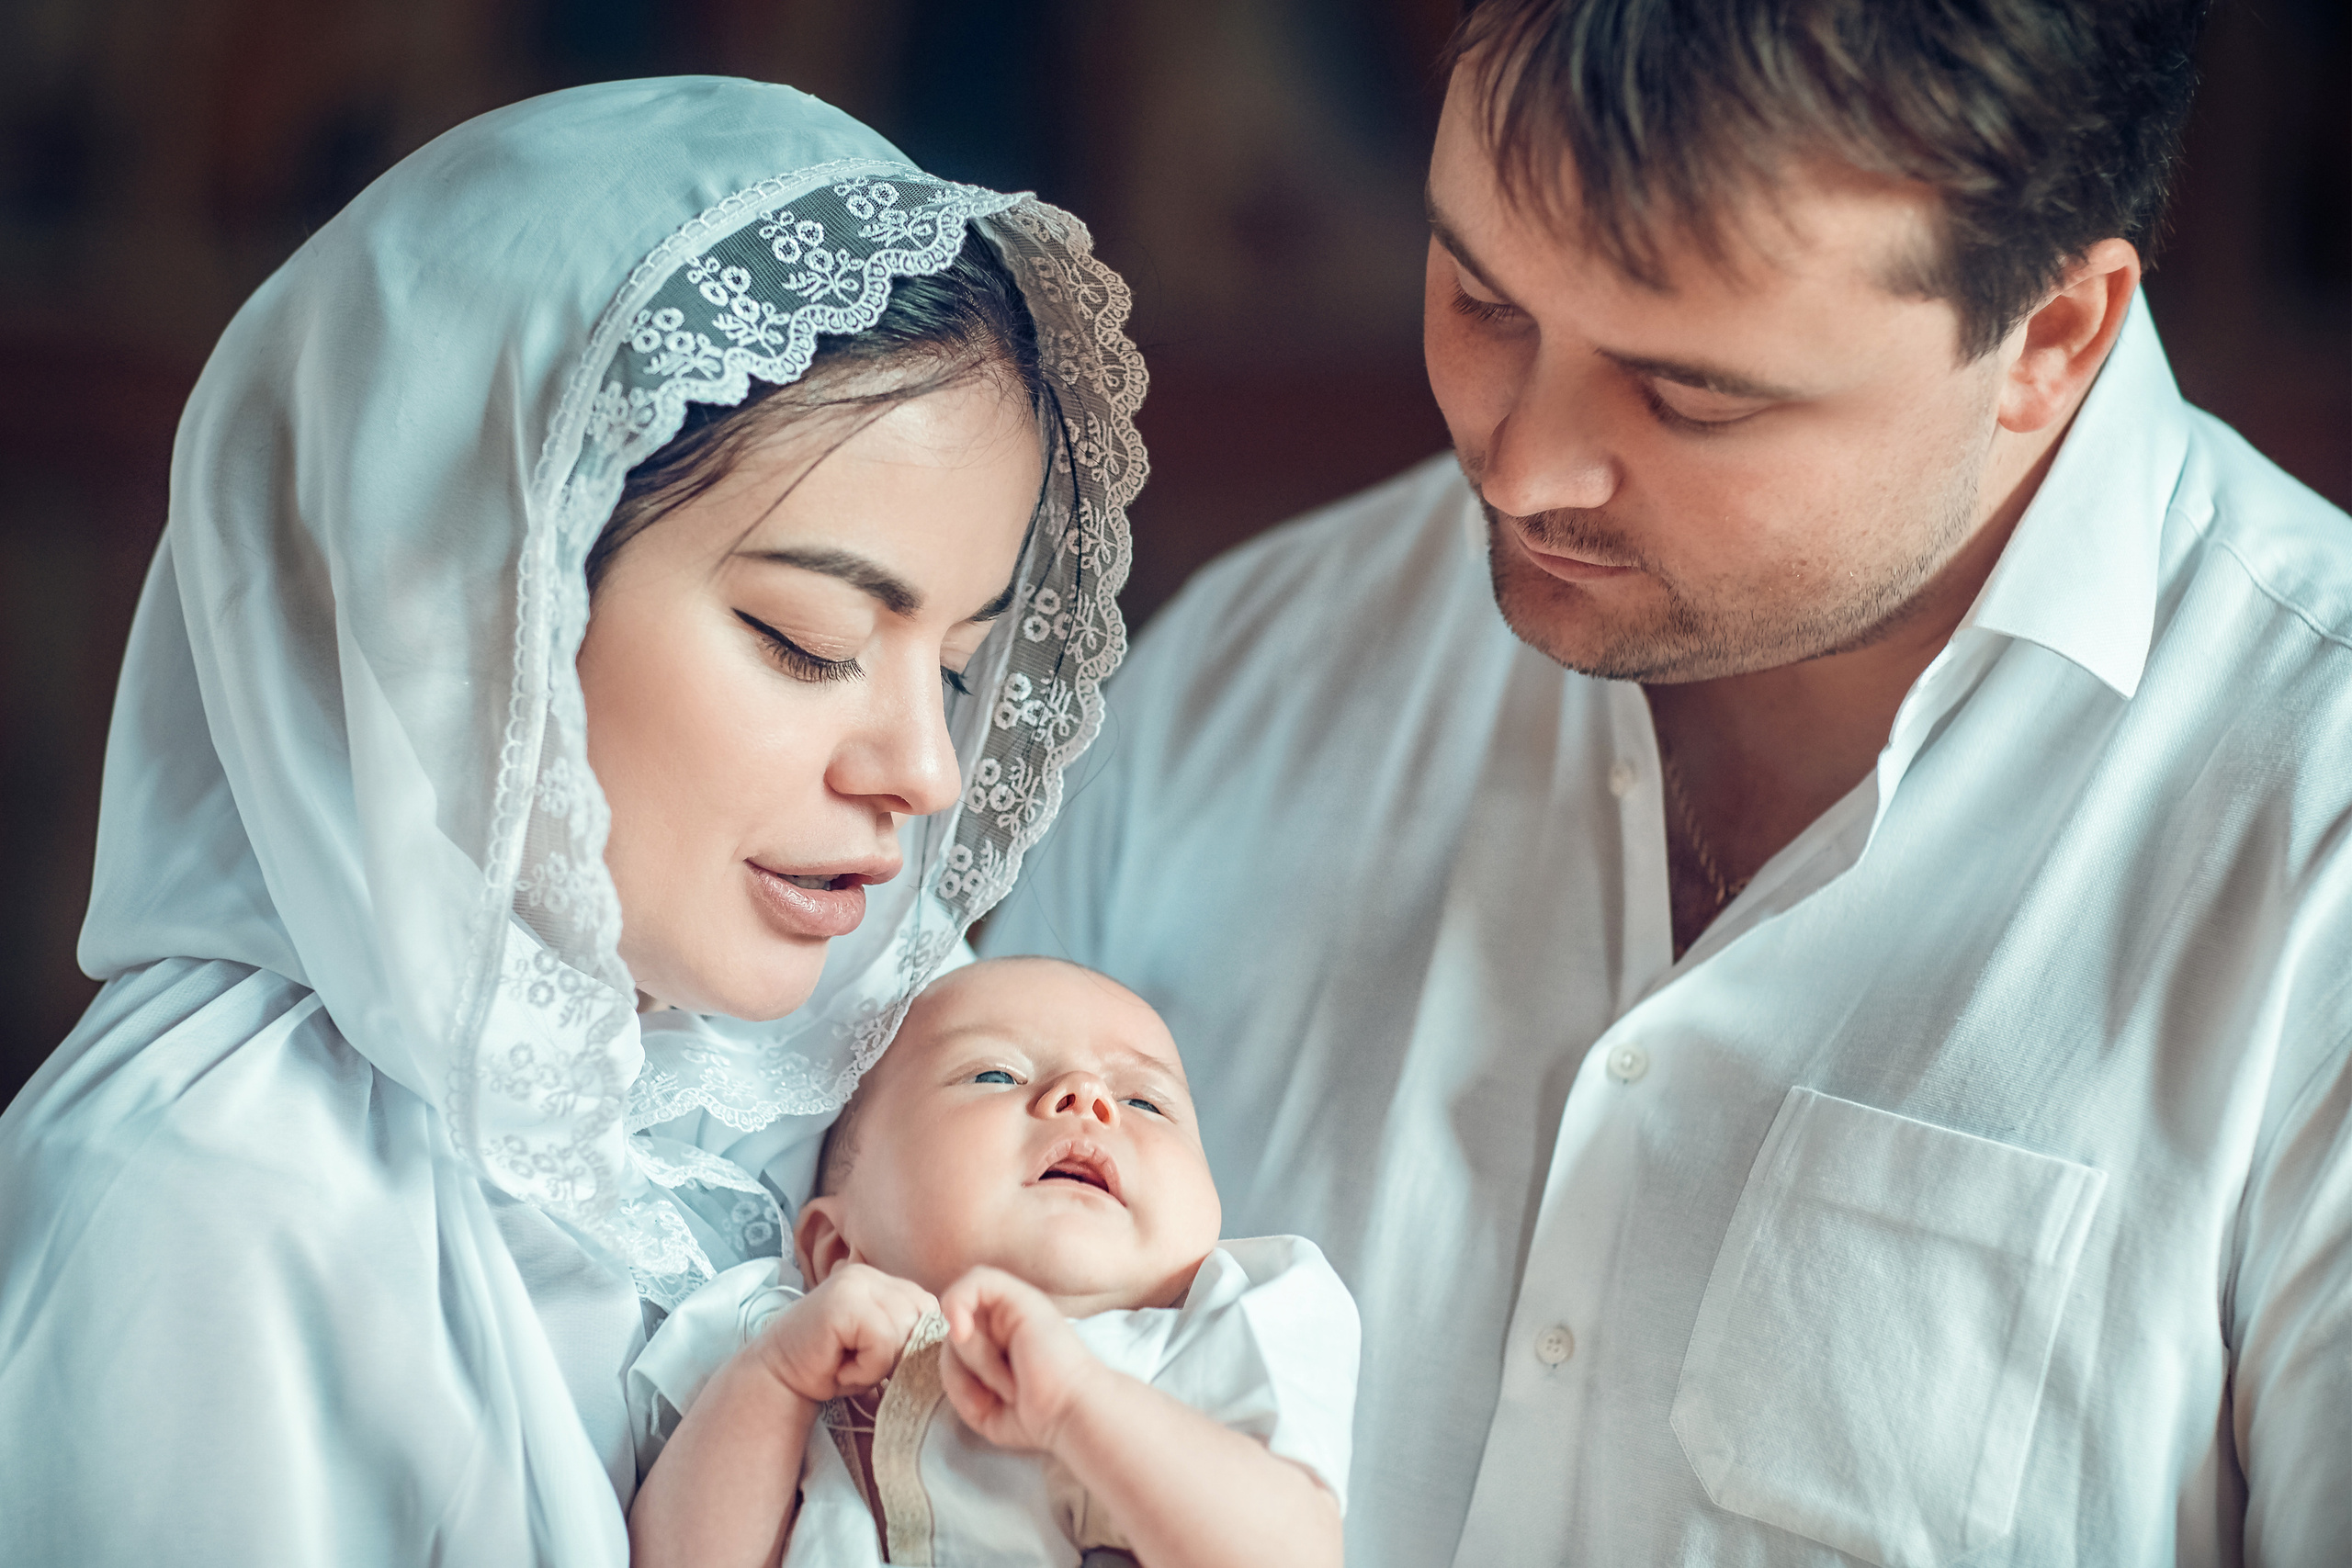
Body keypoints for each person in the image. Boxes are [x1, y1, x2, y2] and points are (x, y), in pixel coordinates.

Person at [983, 0, 2352, 1562]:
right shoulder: (1251, 680)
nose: (1518, 469)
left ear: (2049, 338)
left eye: (1692, 396)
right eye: (1482, 301)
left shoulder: (2315, 834)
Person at [0, 78, 1145, 1566]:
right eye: (808, 638)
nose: (924, 769)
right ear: (463, 615)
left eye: (961, 665)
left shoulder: (843, 1116)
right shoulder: (200, 1208)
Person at [624, 956, 1357, 1568]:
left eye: (1146, 1100)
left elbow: (1291, 1551)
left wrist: (1078, 1404)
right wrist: (774, 1377)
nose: (1088, 1099)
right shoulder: (784, 1338)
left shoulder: (1231, 1316)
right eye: (996, 1075)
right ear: (838, 1248)